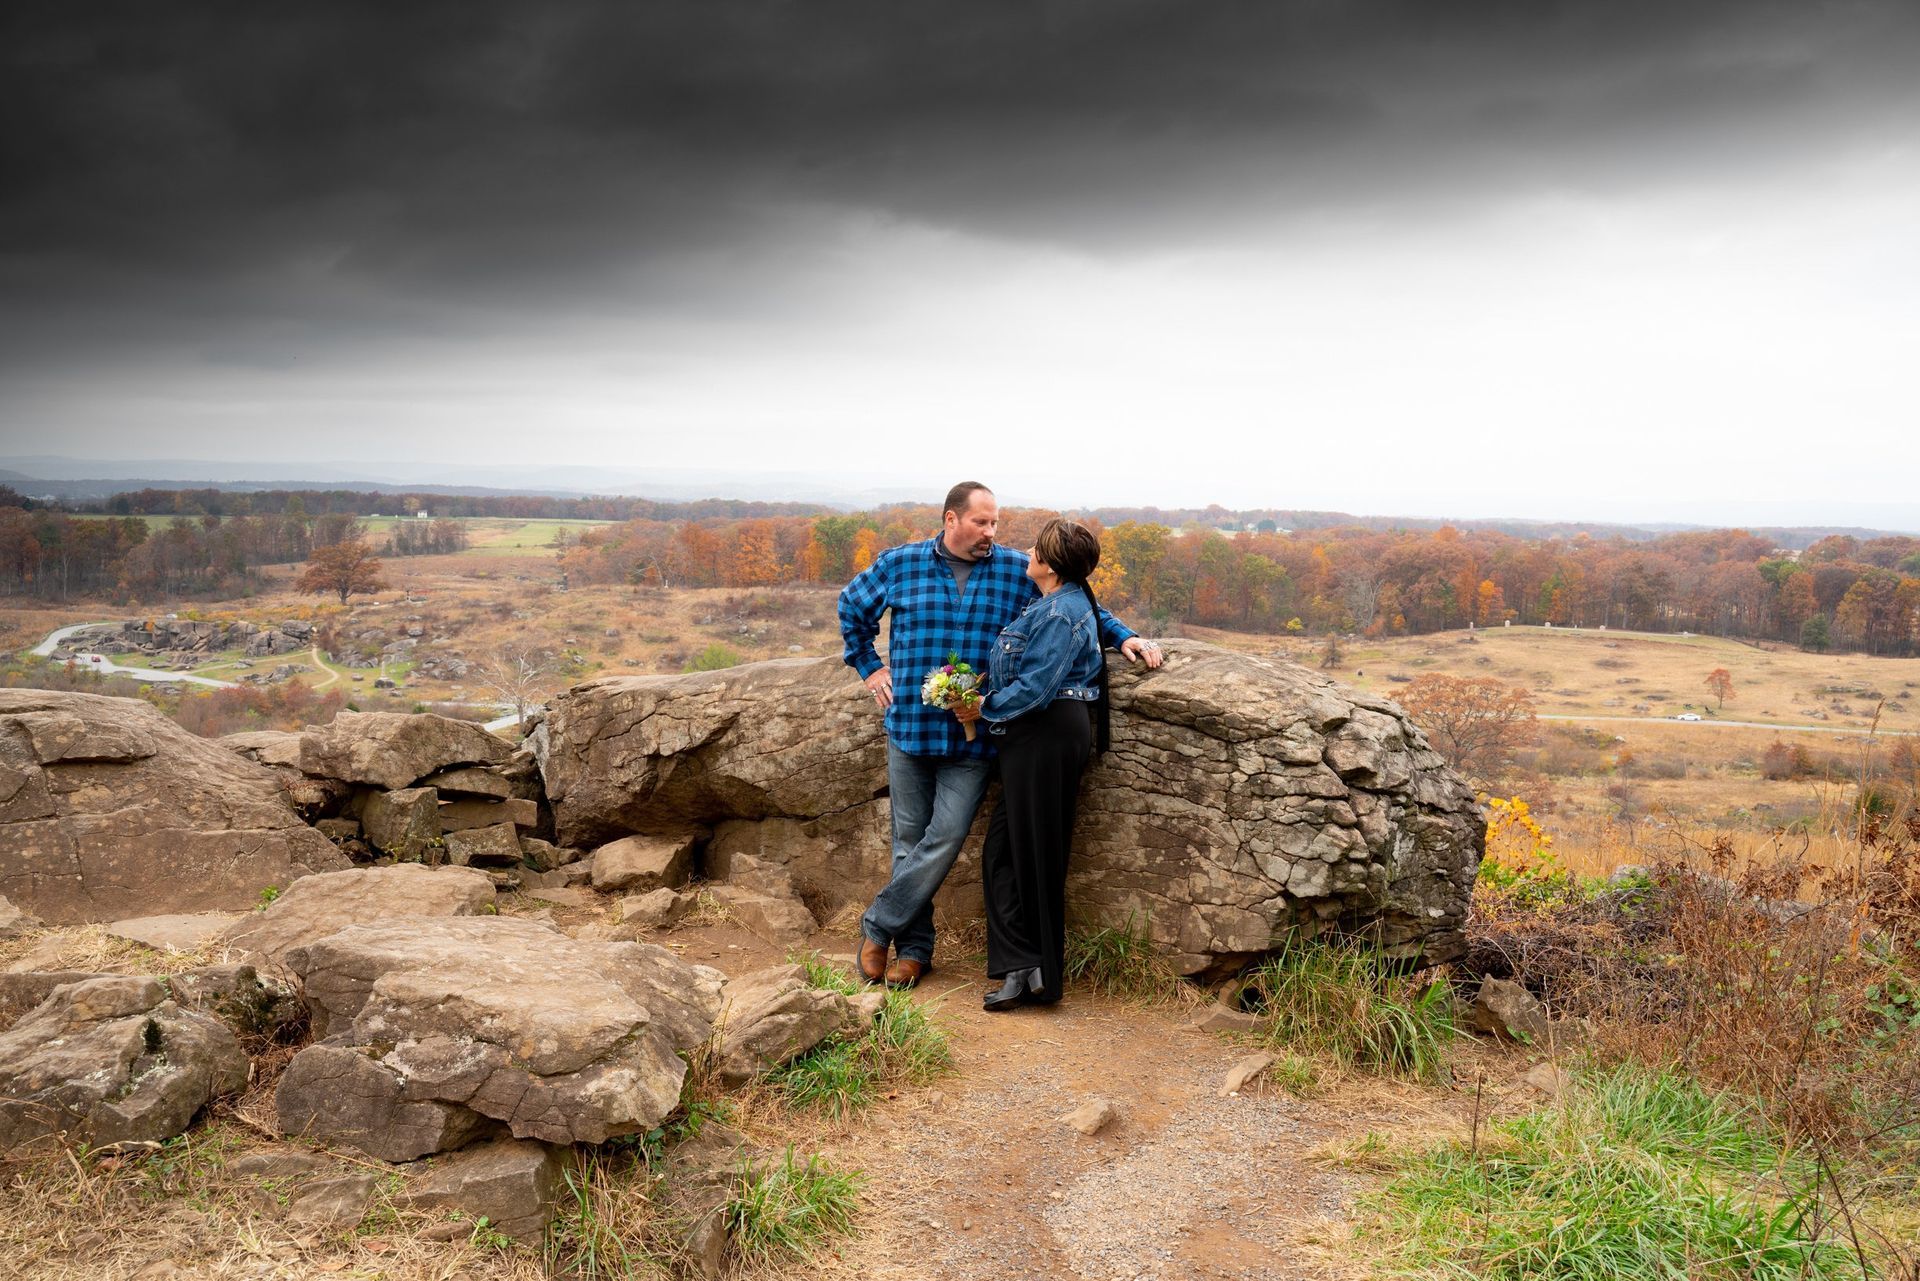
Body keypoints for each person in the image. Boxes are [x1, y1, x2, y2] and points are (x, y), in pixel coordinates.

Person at [839, 483, 1161, 988]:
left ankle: (878, 927)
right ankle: (915, 949)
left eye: (996, 523)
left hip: (975, 737)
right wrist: (869, 667)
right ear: (951, 520)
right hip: (908, 728)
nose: (992, 533)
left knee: (943, 838)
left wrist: (1126, 637)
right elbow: (852, 609)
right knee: (907, 841)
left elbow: (1076, 608)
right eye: (982, 523)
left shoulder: (1015, 570)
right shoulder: (899, 563)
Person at [969, 518, 1119, 1011]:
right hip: (1038, 735)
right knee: (1008, 853)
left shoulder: (1060, 612)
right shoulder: (1058, 602)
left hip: (1046, 733)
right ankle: (1025, 967)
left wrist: (981, 707)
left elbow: (1037, 688)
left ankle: (1040, 974)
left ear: (1051, 564)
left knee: (1034, 854)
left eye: (1037, 547)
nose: (1028, 551)